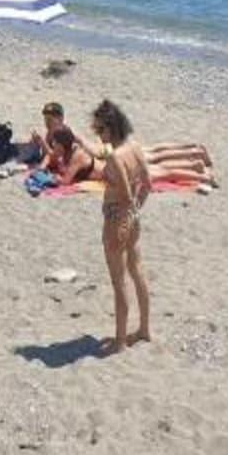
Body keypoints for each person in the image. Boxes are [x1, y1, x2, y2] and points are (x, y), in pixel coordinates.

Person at [91, 99, 152, 353]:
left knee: (119, 283)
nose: (98, 135)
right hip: (132, 219)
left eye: (100, 129)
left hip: (116, 219)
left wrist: (124, 217)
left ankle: (120, 341)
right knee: (137, 271)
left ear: (112, 127)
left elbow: (125, 194)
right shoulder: (135, 147)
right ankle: (144, 329)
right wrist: (135, 212)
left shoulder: (116, 157)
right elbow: (147, 184)